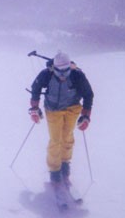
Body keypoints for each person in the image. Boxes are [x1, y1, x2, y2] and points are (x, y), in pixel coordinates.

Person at [28, 52, 94, 201]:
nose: (63, 74)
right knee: (55, 140)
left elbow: (88, 94)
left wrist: (86, 116)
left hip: (72, 108)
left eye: (66, 70)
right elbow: (35, 89)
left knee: (68, 138)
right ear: (54, 68)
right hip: (53, 109)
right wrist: (34, 108)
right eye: (59, 71)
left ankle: (65, 167)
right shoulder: (46, 74)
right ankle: (54, 172)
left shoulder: (77, 75)